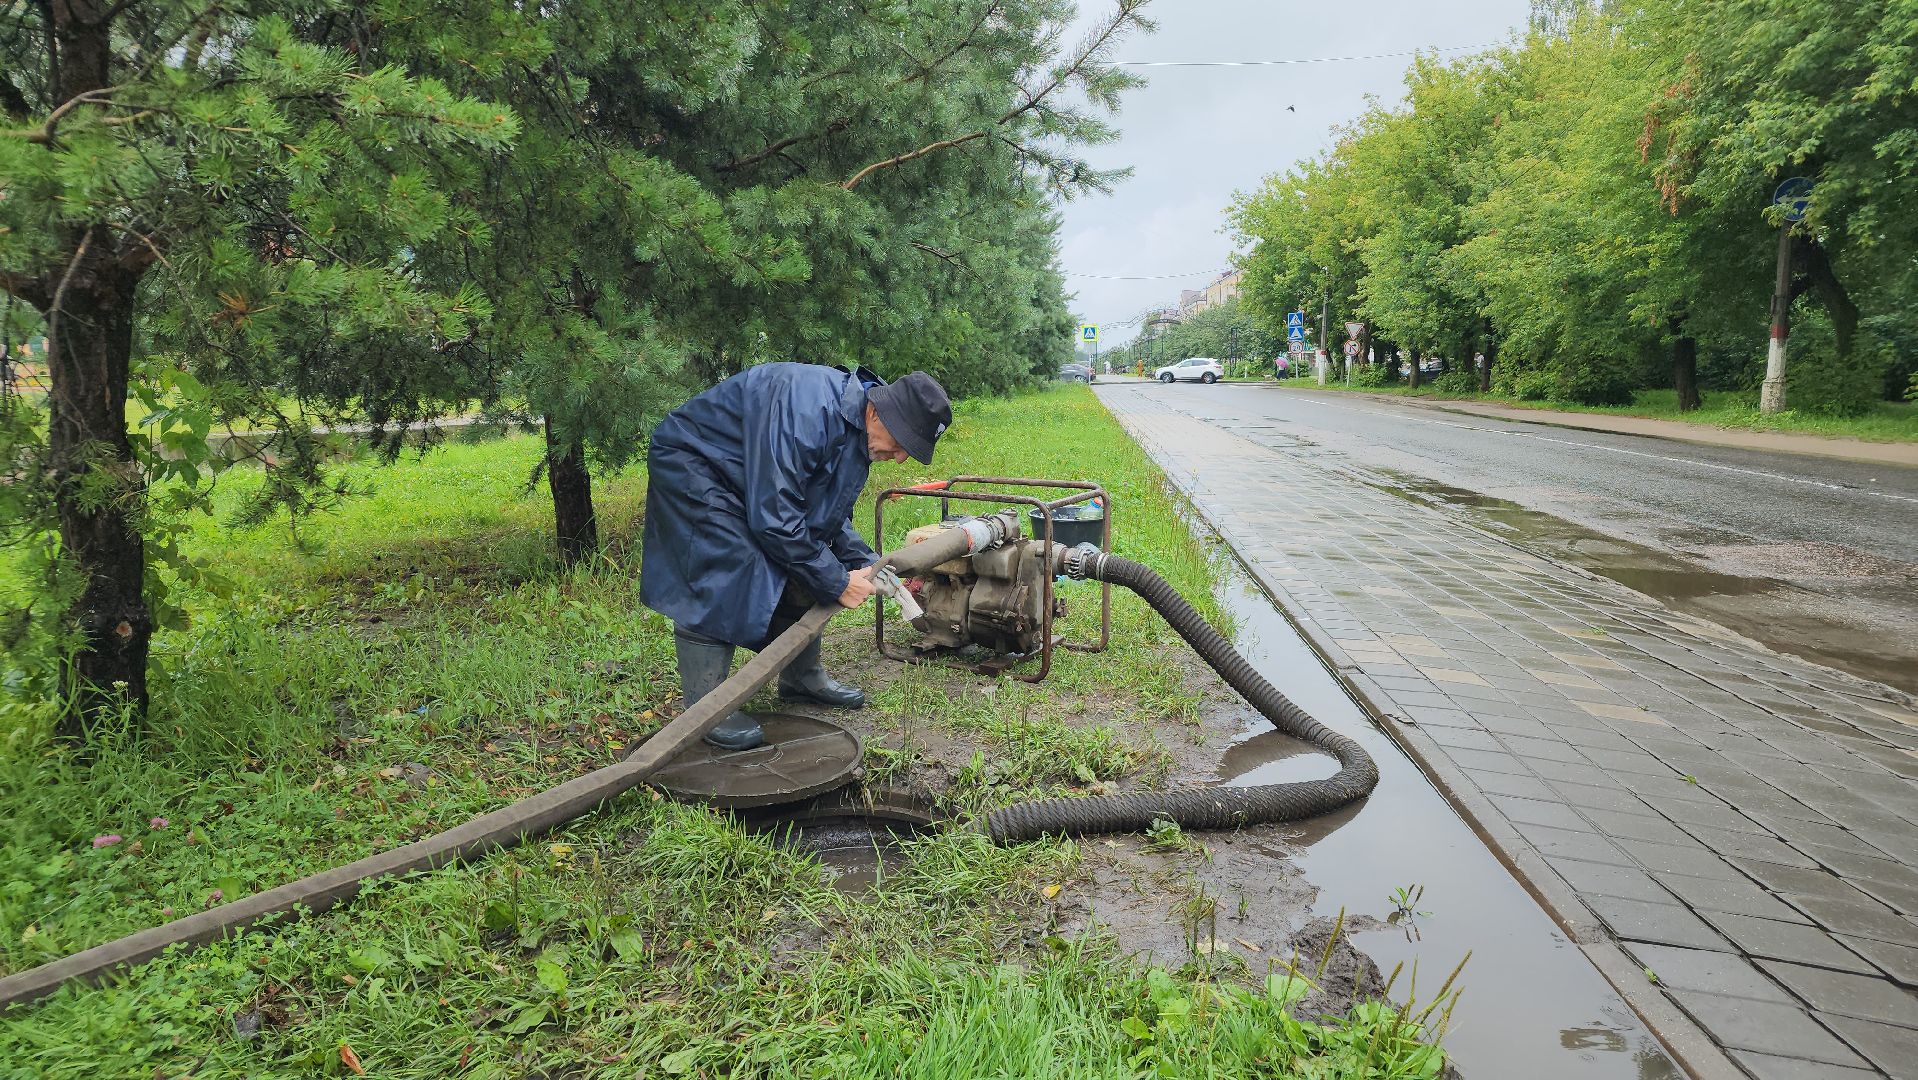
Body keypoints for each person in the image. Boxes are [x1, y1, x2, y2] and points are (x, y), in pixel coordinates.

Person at [640, 363, 952, 750]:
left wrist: (865, 561)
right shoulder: (807, 412)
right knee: (725, 564)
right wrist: (837, 581)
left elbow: (824, 517)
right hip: (696, 462)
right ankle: (705, 710)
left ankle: (801, 677)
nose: (901, 458)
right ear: (877, 411)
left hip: (746, 476)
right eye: (902, 443)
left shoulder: (858, 431)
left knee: (807, 556)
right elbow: (775, 518)